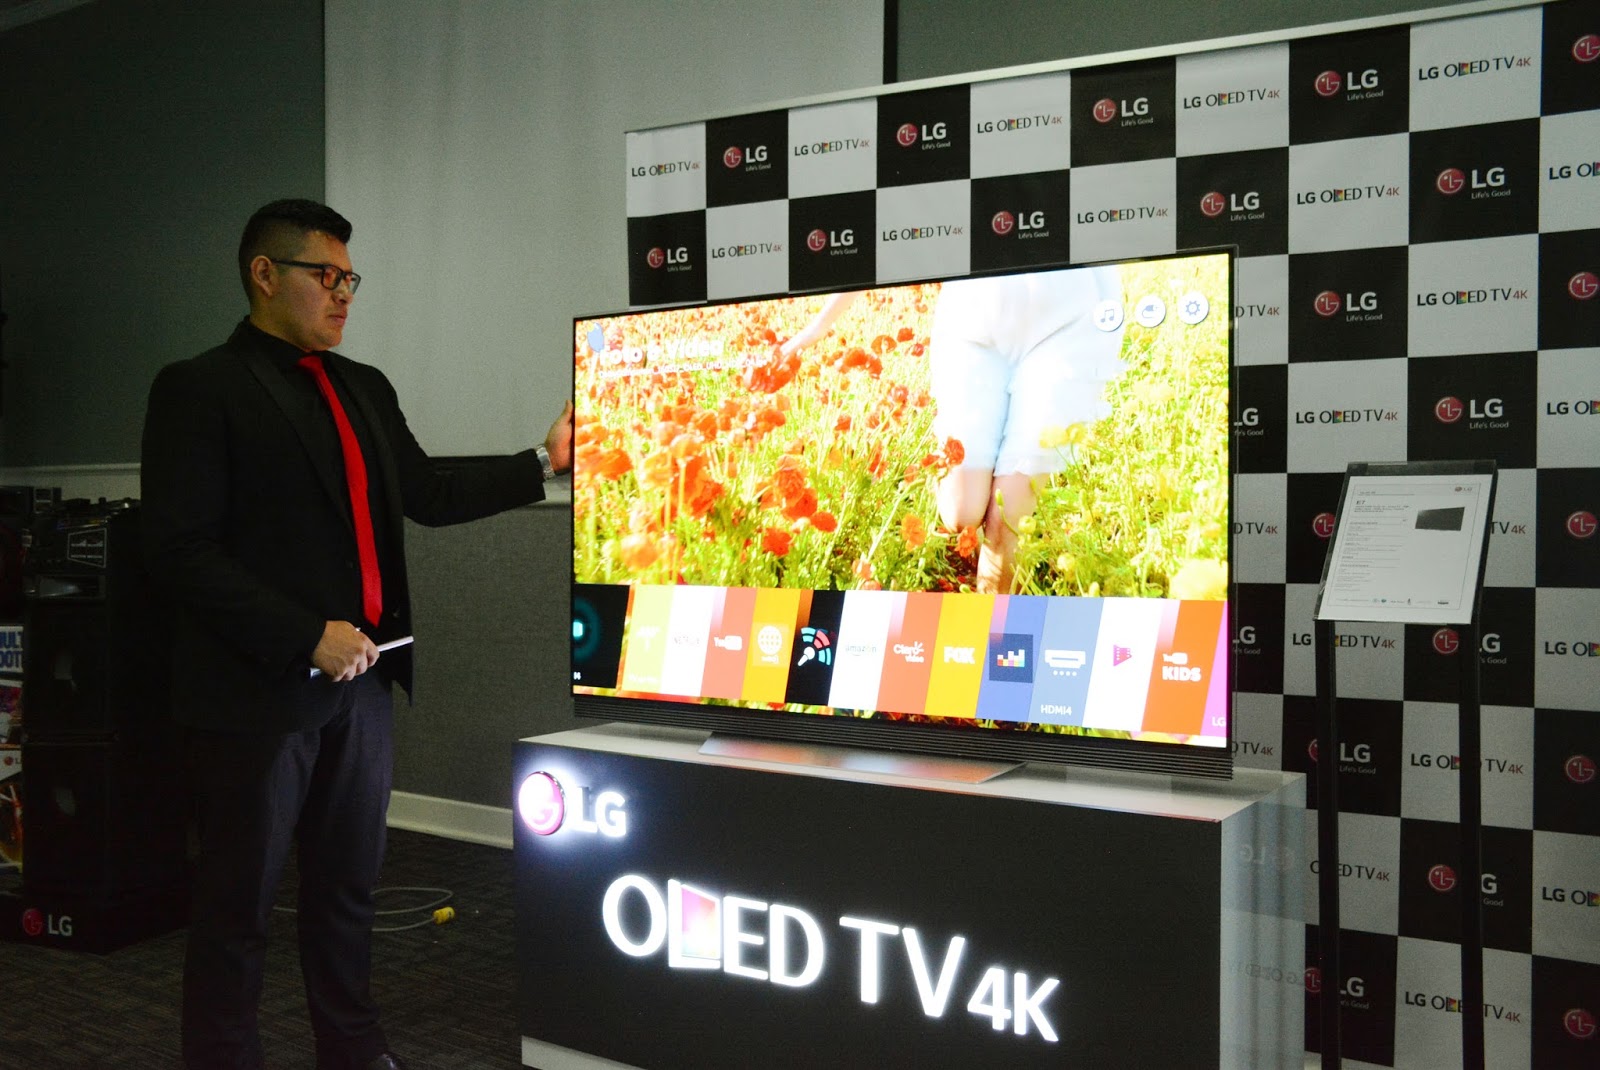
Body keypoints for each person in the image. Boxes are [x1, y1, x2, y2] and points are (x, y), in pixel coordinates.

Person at [140, 198, 572, 1070]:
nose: (344, 294)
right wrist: (306, 634)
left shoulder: (364, 387)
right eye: (325, 275)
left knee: (347, 893)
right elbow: (179, 551)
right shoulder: (200, 387)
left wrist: (544, 461)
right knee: (237, 907)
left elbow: (427, 493)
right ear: (265, 275)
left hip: (364, 688)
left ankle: (353, 1049)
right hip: (256, 697)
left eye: (350, 278)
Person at [778, 266, 1126, 592]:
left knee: (1007, 520)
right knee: (961, 514)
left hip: (1070, 320)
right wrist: (818, 327)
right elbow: (879, 237)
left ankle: (994, 627)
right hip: (973, 317)